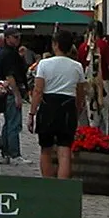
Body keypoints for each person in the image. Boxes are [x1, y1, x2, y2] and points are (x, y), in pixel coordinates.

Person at [30, 30, 85, 179]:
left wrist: (32, 113)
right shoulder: (77, 67)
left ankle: (48, 184)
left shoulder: (44, 64)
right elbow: (81, 92)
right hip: (67, 106)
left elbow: (38, 90)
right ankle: (62, 185)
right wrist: (78, 109)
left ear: (55, 45)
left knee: (46, 149)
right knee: (64, 150)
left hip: (48, 106)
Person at [0, 31, 29, 161]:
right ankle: (14, 153)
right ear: (7, 38)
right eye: (15, 37)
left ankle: (6, 152)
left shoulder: (7, 52)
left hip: (8, 90)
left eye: (19, 37)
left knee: (8, 123)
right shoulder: (8, 53)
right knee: (14, 123)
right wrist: (17, 95)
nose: (18, 40)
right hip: (12, 90)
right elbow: (10, 75)